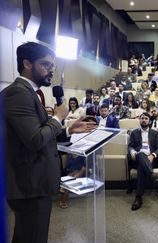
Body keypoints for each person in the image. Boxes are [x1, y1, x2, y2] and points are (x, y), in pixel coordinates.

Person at [2, 42, 96, 243]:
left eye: (52, 66)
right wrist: (58, 118)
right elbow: (35, 140)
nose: (51, 70)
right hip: (29, 184)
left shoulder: (30, 93)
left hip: (35, 183)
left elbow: (39, 134)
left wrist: (68, 129)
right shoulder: (17, 93)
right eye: (45, 64)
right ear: (27, 64)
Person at [128, 112, 158, 211]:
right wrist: (133, 152)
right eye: (142, 118)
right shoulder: (134, 132)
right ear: (139, 120)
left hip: (150, 159)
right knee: (141, 154)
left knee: (141, 168)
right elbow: (130, 146)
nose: (144, 120)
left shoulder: (154, 133)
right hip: (137, 157)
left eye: (146, 118)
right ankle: (152, 176)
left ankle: (138, 197)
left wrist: (153, 155)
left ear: (149, 121)